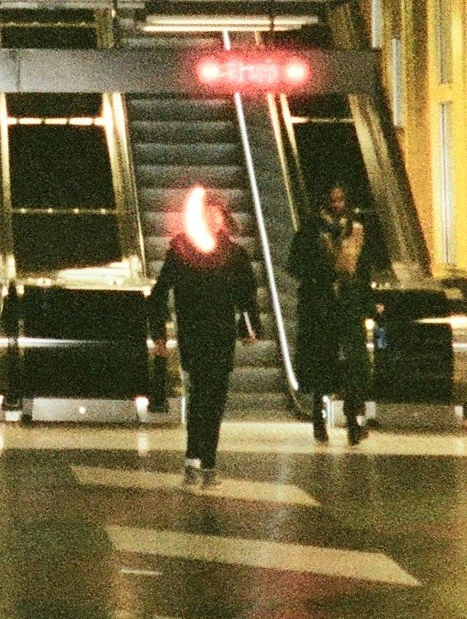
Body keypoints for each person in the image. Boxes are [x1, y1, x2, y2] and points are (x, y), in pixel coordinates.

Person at [149, 187, 261, 487]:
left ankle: (206, 461)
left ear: (223, 220)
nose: (211, 220)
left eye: (216, 215)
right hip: (194, 332)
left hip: (221, 334)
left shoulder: (235, 255)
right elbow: (159, 293)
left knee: (215, 397)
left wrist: (249, 329)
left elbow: (246, 296)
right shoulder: (182, 251)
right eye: (206, 214)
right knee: (201, 394)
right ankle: (194, 457)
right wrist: (159, 334)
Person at [288, 184, 373, 445]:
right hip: (321, 305)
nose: (337, 205)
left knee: (354, 364)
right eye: (333, 200)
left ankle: (353, 420)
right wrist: (320, 267)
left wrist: (367, 302)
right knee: (323, 362)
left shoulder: (356, 230)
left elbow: (365, 271)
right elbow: (295, 265)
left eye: (341, 199)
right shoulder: (312, 229)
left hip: (348, 305)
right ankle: (318, 416)